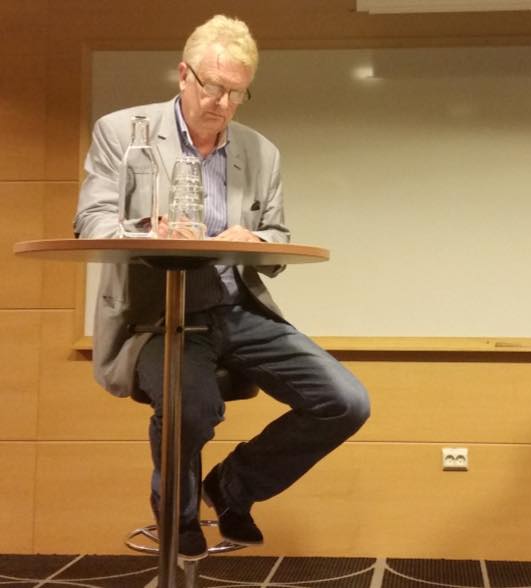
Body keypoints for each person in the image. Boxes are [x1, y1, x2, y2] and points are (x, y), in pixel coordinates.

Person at [75, 15, 370, 560]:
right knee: (192, 405)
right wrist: (150, 231)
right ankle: (178, 514)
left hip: (235, 309)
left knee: (345, 402)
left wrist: (252, 237)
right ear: (183, 75)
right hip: (155, 317)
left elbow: (277, 237)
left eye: (237, 93)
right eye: (213, 87)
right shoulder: (124, 133)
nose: (223, 104)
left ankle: (233, 486)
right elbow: (91, 221)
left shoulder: (261, 152)